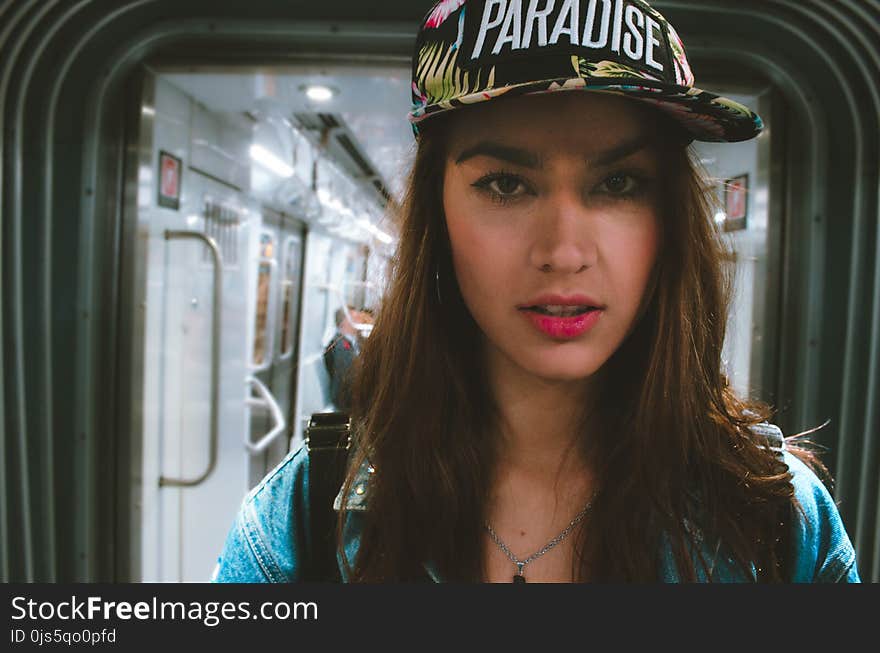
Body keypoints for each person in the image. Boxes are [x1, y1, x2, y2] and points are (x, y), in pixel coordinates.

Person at [213, 0, 859, 582]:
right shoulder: (301, 524)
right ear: (437, 215)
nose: (564, 253)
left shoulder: (781, 527)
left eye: (619, 184)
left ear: (670, 218)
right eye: (506, 185)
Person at [323, 305, 361, 413]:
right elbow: (346, 379)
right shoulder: (341, 346)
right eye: (355, 318)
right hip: (346, 405)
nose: (359, 320)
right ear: (344, 322)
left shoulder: (351, 342)